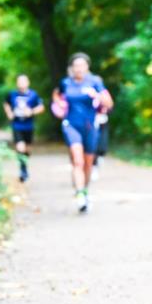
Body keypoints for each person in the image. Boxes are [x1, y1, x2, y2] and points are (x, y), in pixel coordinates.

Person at [52, 53, 113, 213]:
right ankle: (79, 194)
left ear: (87, 67)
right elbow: (56, 94)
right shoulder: (66, 83)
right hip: (71, 125)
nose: (79, 68)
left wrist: (97, 96)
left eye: (82, 65)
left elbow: (109, 103)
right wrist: (59, 105)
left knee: (87, 164)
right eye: (76, 65)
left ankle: (84, 191)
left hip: (90, 126)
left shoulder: (95, 82)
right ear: (72, 68)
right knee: (77, 161)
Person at [3, 74, 44, 182]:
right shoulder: (12, 94)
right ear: (17, 83)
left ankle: (24, 164)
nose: (21, 84)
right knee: (20, 147)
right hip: (17, 125)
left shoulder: (33, 95)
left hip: (29, 125)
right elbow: (6, 104)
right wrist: (9, 113)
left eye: (23, 81)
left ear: (28, 82)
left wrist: (31, 112)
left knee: (27, 149)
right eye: (19, 81)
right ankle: (23, 170)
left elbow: (41, 107)